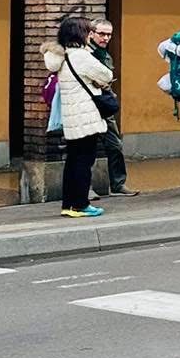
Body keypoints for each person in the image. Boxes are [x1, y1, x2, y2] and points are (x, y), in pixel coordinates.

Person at [45, 15, 112, 218]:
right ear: (80, 34)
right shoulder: (81, 56)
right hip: (86, 118)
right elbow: (106, 75)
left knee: (72, 161)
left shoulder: (62, 57)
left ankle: (68, 204)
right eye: (88, 31)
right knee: (84, 162)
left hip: (72, 118)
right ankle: (81, 204)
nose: (90, 35)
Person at [87, 18, 132, 194]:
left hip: (104, 106)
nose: (105, 38)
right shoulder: (85, 54)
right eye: (102, 34)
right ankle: (86, 188)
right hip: (89, 106)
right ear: (91, 34)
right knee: (87, 149)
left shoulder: (105, 55)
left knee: (115, 145)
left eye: (109, 35)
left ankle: (118, 184)